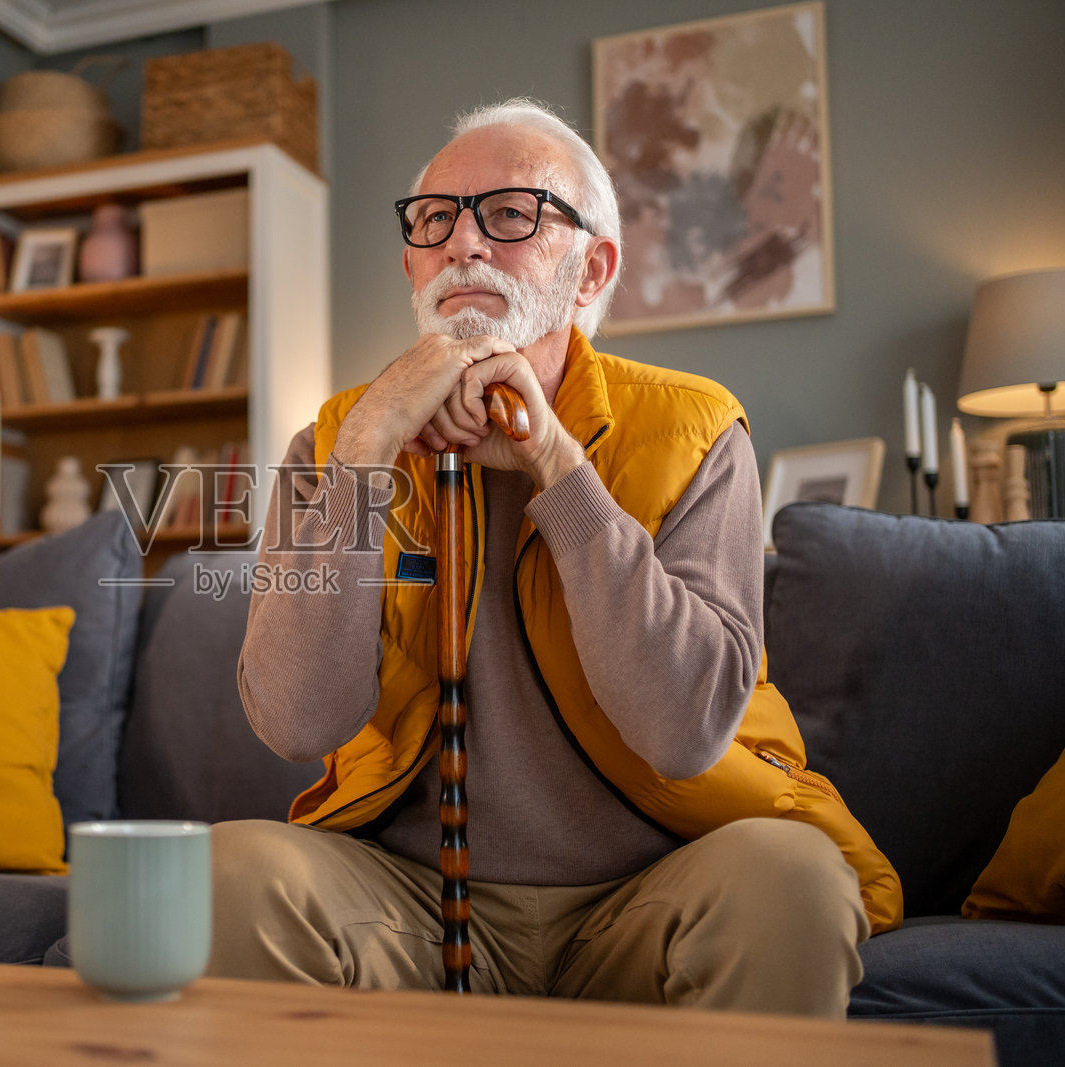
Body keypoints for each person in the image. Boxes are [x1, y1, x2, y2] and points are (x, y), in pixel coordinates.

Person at [209, 99, 902, 1017]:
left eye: (509, 214)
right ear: (412, 261)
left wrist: (556, 466)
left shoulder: (692, 428)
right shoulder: (338, 438)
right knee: (230, 870)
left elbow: (686, 726)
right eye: (435, 220)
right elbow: (299, 719)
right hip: (412, 905)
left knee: (792, 878)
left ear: (591, 268)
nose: (464, 244)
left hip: (652, 896)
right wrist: (369, 446)